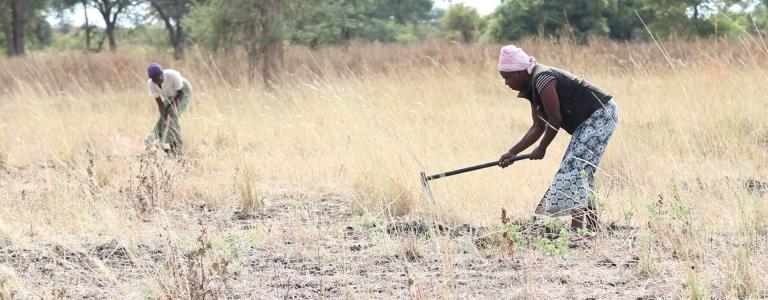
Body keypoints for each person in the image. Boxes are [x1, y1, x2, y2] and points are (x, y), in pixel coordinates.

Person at [496, 45, 619, 231]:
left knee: (573, 168)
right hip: (586, 122)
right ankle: (592, 228)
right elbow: (538, 126)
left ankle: (577, 230)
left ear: (520, 71)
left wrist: (542, 148)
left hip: (601, 114)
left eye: (507, 77)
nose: (506, 82)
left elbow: (555, 119)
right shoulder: (532, 87)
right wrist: (512, 153)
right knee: (581, 170)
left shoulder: (542, 79)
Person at [144, 63, 192, 155]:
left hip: (183, 92)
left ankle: (176, 144)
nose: (159, 81)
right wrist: (164, 117)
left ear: (162, 74)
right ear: (152, 80)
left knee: (173, 114)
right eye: (156, 80)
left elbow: (180, 93)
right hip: (170, 95)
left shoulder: (172, 75)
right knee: (162, 120)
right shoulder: (151, 84)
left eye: (160, 78)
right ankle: (152, 141)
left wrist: (172, 108)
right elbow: (160, 105)